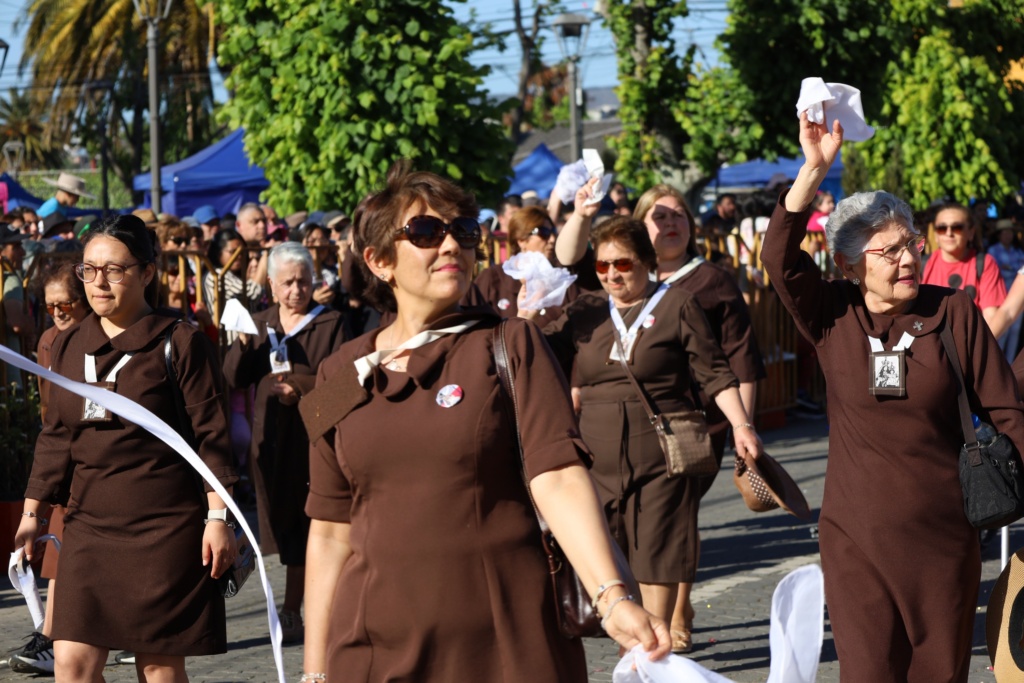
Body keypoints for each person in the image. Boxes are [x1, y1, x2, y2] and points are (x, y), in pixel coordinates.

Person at [301, 163, 670, 683]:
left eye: (464, 231)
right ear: (380, 261)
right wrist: (315, 672)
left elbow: (558, 477)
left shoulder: (510, 343)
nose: (452, 244)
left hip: (505, 645)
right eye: (426, 232)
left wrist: (612, 599)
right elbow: (330, 530)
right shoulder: (339, 374)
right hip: (373, 650)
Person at [761, 113, 1024, 682]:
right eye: (888, 251)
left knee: (938, 673)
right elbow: (778, 258)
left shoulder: (951, 312)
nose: (907, 259)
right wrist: (813, 171)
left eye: (911, 244)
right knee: (868, 673)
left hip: (944, 535)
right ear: (849, 264)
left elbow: (1007, 412)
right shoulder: (831, 315)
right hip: (856, 538)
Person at [13, 213, 239, 683]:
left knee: (158, 668)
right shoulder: (69, 344)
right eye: (89, 270)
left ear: (147, 272)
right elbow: (56, 435)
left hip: (164, 531)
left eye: (114, 270)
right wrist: (32, 513)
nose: (99, 282)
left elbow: (211, 436)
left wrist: (218, 519)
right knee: (72, 665)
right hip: (88, 528)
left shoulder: (180, 342)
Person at [530, 215, 762, 650]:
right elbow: (534, 353)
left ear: (646, 262)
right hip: (598, 461)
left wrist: (741, 425)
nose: (612, 275)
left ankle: (647, 653)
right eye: (602, 266)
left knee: (658, 553)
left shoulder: (677, 304)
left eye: (623, 264)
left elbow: (714, 373)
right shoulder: (586, 311)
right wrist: (528, 312)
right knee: (611, 554)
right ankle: (635, 649)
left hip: (662, 455)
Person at [223, 242, 346, 644]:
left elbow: (346, 387)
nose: (297, 290)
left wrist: (302, 389)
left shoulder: (332, 323)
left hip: (313, 441)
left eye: (303, 281)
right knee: (276, 524)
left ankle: (294, 610)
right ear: (272, 286)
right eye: (288, 283)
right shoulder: (259, 324)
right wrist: (242, 346)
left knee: (305, 524)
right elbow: (233, 379)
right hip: (269, 442)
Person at [7, 258, 92, 676]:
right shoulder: (47, 341)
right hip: (63, 456)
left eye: (66, 305)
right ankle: (52, 635)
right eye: (50, 305)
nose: (58, 312)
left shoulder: (99, 337)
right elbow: (49, 410)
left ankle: (56, 635)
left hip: (98, 460)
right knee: (59, 547)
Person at [471, 205, 579, 323]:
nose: (552, 239)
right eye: (544, 232)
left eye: (553, 232)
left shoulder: (563, 278)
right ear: (521, 239)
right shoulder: (492, 279)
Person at [920, 200, 1005, 326]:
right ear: (936, 235)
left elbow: (991, 318)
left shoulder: (985, 264)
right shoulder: (922, 264)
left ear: (971, 232)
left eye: (957, 228)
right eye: (942, 228)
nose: (949, 233)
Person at [986, 219, 1024, 359]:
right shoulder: (992, 251)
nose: (1008, 235)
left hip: (1017, 293)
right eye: (1005, 232)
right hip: (1000, 293)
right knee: (1002, 329)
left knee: (1015, 330)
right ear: (999, 234)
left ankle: (1009, 362)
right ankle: (997, 361)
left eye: (1010, 232)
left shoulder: (1018, 251)